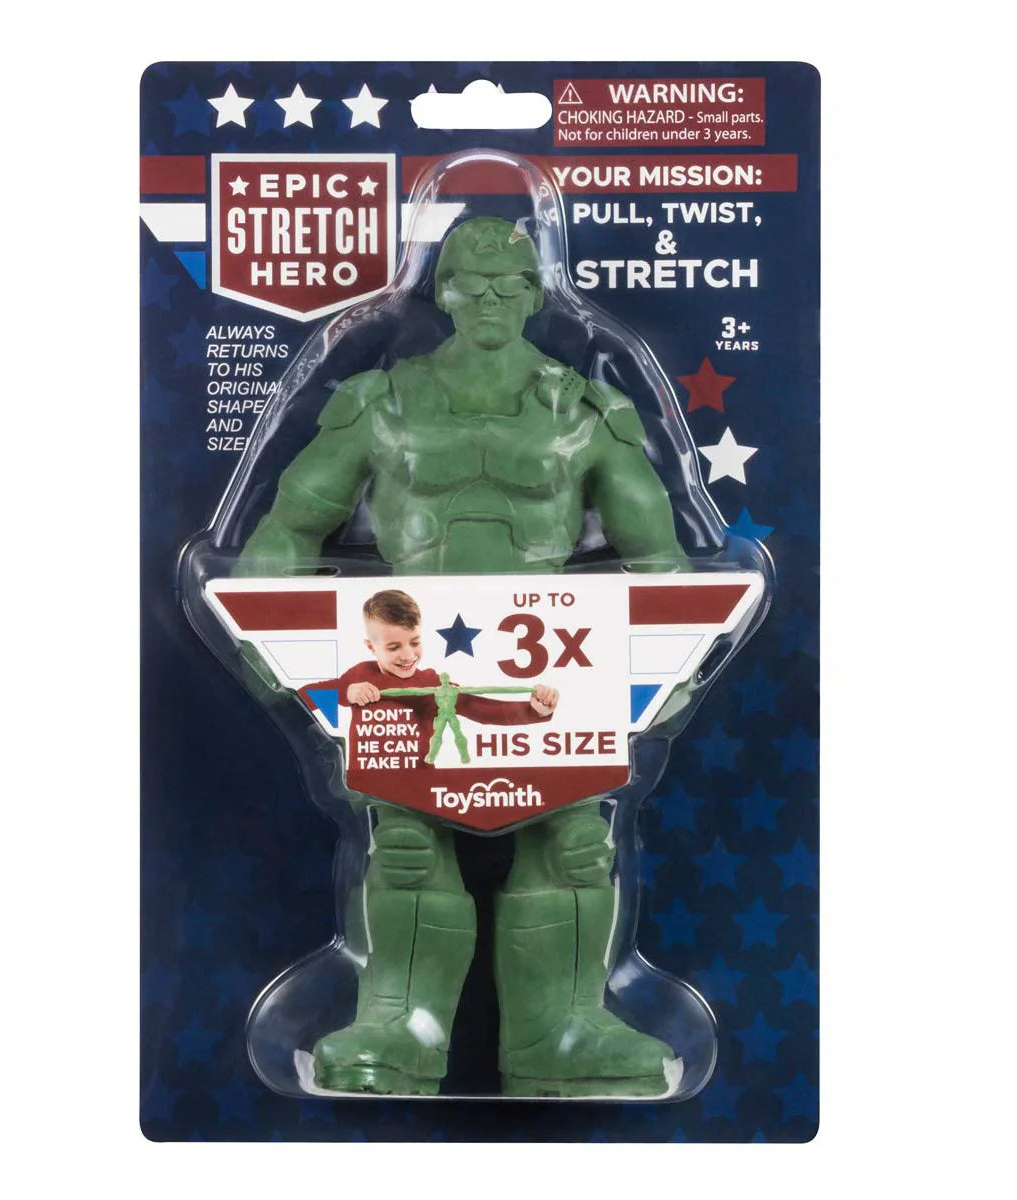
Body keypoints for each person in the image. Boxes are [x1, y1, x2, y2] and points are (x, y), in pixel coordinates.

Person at [235, 216, 686, 1097]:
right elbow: (291, 522)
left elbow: (659, 557)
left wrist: (671, 671)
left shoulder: (583, 412)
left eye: (508, 285)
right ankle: (398, 1033)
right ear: (441, 291)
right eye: (470, 284)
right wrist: (269, 641)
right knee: (406, 849)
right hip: (407, 661)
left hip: (557, 665)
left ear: (534, 293)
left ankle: (560, 1038)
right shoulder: (382, 403)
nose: (488, 300)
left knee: (574, 850)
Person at [298, 588, 558, 767]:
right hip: (367, 787)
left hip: (420, 787)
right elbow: (303, 698)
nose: (408, 655)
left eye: (415, 642)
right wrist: (346, 693)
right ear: (371, 647)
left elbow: (480, 708)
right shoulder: (361, 675)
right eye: (394, 647)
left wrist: (534, 710)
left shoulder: (432, 684)